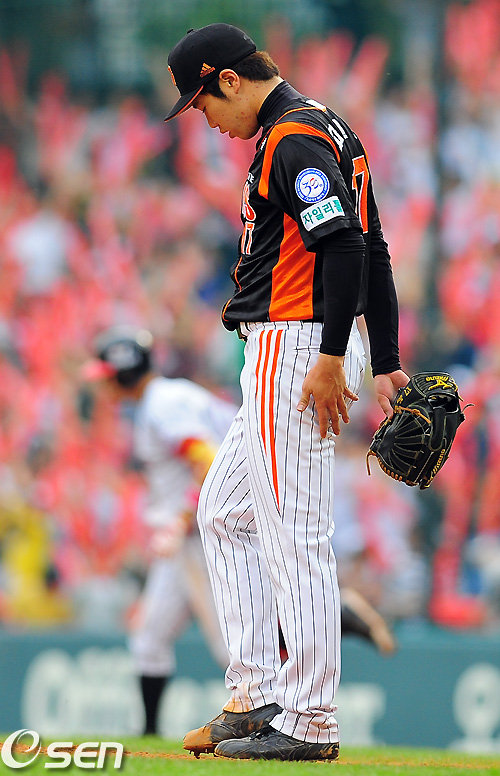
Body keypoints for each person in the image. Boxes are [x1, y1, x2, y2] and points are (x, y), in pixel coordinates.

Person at [163, 23, 409, 761]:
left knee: (294, 534)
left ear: (229, 79)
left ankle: (310, 719)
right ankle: (256, 695)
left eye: (203, 102)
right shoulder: (328, 127)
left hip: (296, 346)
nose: (207, 120)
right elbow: (373, 245)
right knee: (223, 512)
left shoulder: (291, 138)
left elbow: (346, 246)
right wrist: (385, 357)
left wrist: (333, 357)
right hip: (299, 345)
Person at [81, 325, 234, 736]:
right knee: (149, 637)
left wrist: (181, 521)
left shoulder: (162, 404)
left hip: (205, 536)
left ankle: (275, 720)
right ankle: (149, 733)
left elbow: (208, 461)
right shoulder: (168, 396)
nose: (104, 386)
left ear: (123, 372)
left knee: (233, 647)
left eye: (107, 376)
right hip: (190, 537)